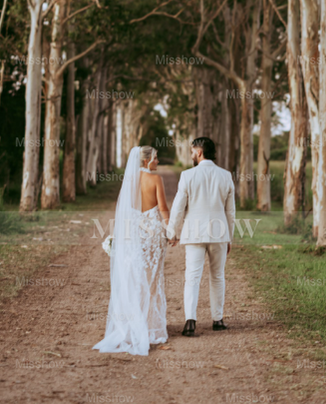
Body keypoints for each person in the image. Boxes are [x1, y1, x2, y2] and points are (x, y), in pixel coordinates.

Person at [93, 145, 169, 355]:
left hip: (135, 231)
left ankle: (133, 322)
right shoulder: (155, 179)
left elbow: (125, 209)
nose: (158, 161)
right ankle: (147, 323)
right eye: (155, 158)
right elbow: (163, 208)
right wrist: (170, 229)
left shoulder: (129, 180)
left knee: (134, 276)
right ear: (146, 161)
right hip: (153, 233)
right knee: (152, 278)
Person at [167, 136, 235, 337]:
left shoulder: (187, 176)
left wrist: (172, 232)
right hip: (219, 233)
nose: (191, 155)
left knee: (192, 278)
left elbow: (178, 208)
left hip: (194, 233)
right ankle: (218, 319)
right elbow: (230, 212)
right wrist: (229, 237)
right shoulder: (226, 176)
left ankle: (190, 322)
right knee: (218, 276)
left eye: (192, 151)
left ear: (199, 152)